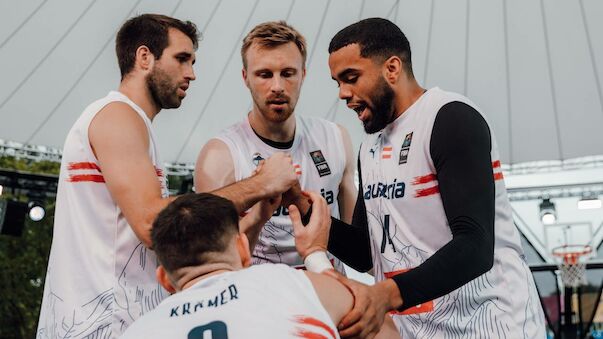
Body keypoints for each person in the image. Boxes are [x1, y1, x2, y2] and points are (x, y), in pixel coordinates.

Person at [36, 14, 298, 338]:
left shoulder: (135, 125)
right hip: (101, 326)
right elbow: (151, 223)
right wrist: (260, 184)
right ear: (145, 57)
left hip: (121, 322)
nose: (191, 73)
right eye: (182, 59)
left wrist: (257, 214)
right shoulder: (118, 116)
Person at [292, 18, 546, 338]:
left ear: (392, 69)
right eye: (337, 82)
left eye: (351, 78)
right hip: (420, 330)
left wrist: (384, 294)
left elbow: (475, 246)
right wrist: (297, 201)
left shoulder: (450, 119)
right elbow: (366, 253)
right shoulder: (369, 146)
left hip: (491, 326)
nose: (343, 93)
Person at [121, 192, 398, 338]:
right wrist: (314, 254)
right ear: (243, 249)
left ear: (164, 279)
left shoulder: (137, 332)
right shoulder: (291, 284)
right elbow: (373, 316)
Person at [195, 21, 356, 270]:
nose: (277, 87)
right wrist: (259, 216)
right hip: (263, 300)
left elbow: (357, 251)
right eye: (265, 74)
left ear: (303, 74)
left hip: (328, 298)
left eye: (288, 73)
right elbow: (213, 265)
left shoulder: (336, 139)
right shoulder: (220, 155)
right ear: (245, 77)